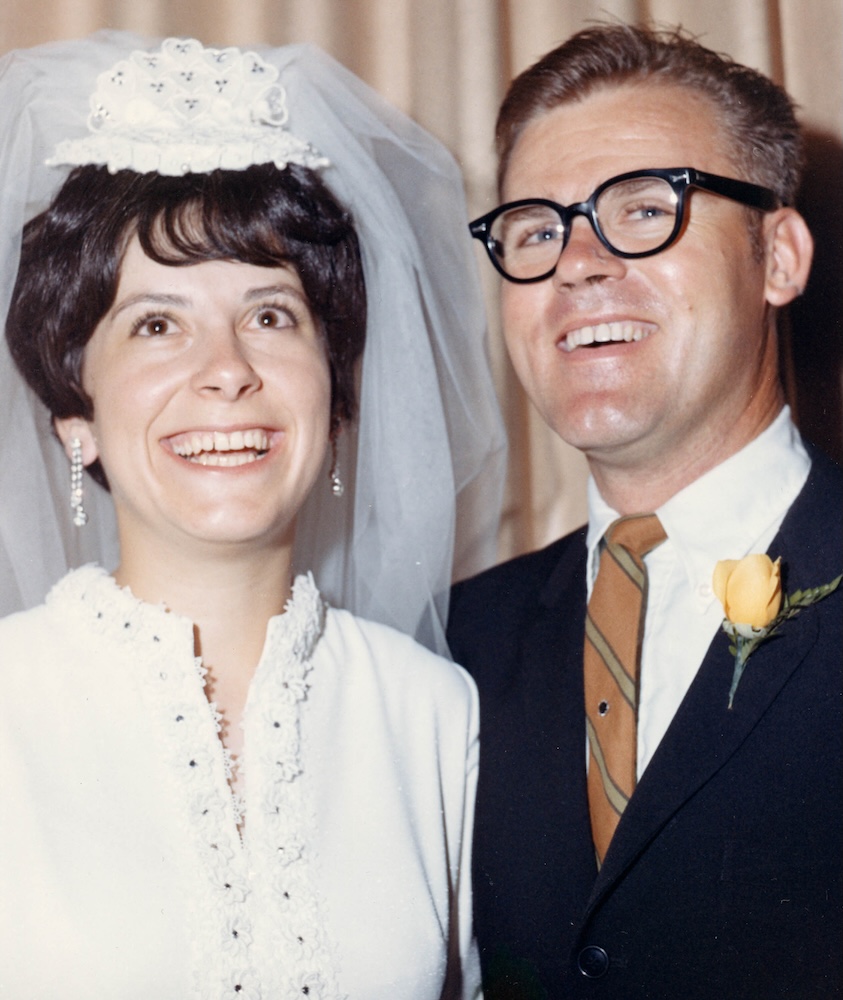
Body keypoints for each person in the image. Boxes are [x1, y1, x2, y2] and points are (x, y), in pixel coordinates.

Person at [0, 33, 505, 999]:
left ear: (336, 390)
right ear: (76, 416)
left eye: (272, 315)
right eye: (157, 323)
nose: (226, 369)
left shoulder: (432, 713)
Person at [447, 23, 842, 1000]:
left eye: (642, 209)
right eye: (537, 228)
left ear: (779, 256)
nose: (576, 263)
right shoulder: (451, 643)